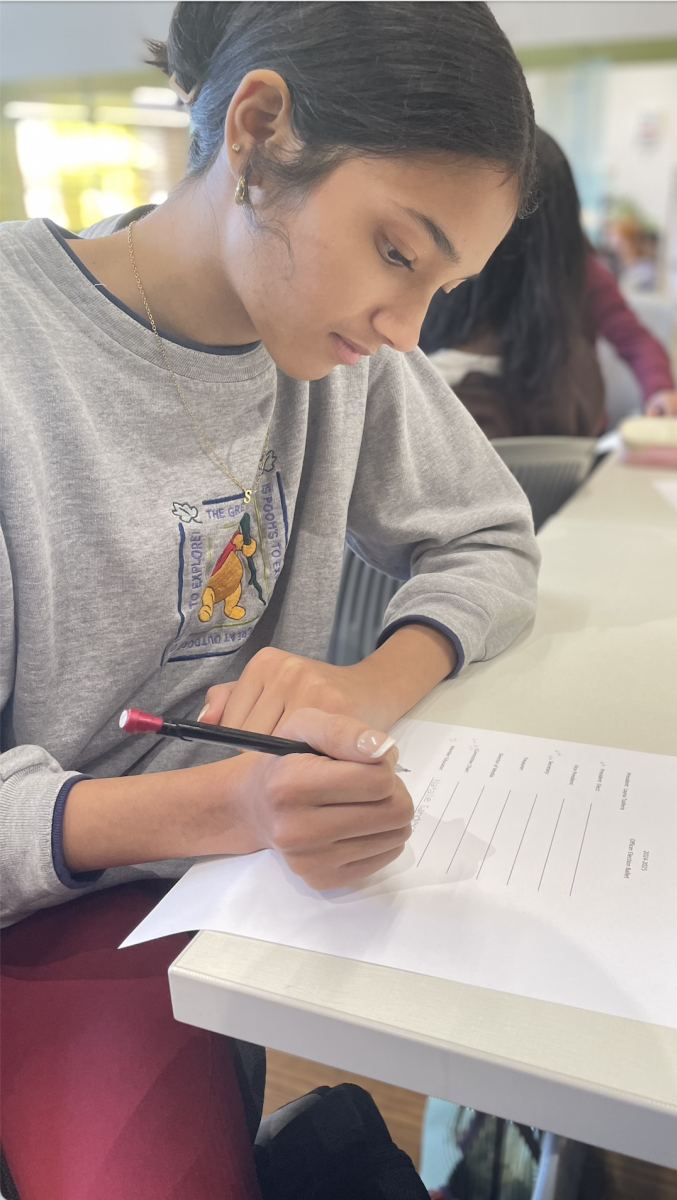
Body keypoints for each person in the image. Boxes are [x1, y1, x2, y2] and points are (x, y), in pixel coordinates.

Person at [0, 3, 540, 1197]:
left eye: (442, 285)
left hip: (239, 898)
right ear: (255, 132)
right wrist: (233, 801)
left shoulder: (340, 349)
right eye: (398, 251)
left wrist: (363, 682)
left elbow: (491, 542)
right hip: (50, 914)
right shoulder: (17, 355)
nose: (406, 329)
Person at [419, 129, 677, 441]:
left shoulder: (581, 273)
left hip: (562, 435)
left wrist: (661, 390)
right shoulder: (462, 264)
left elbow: (634, 340)